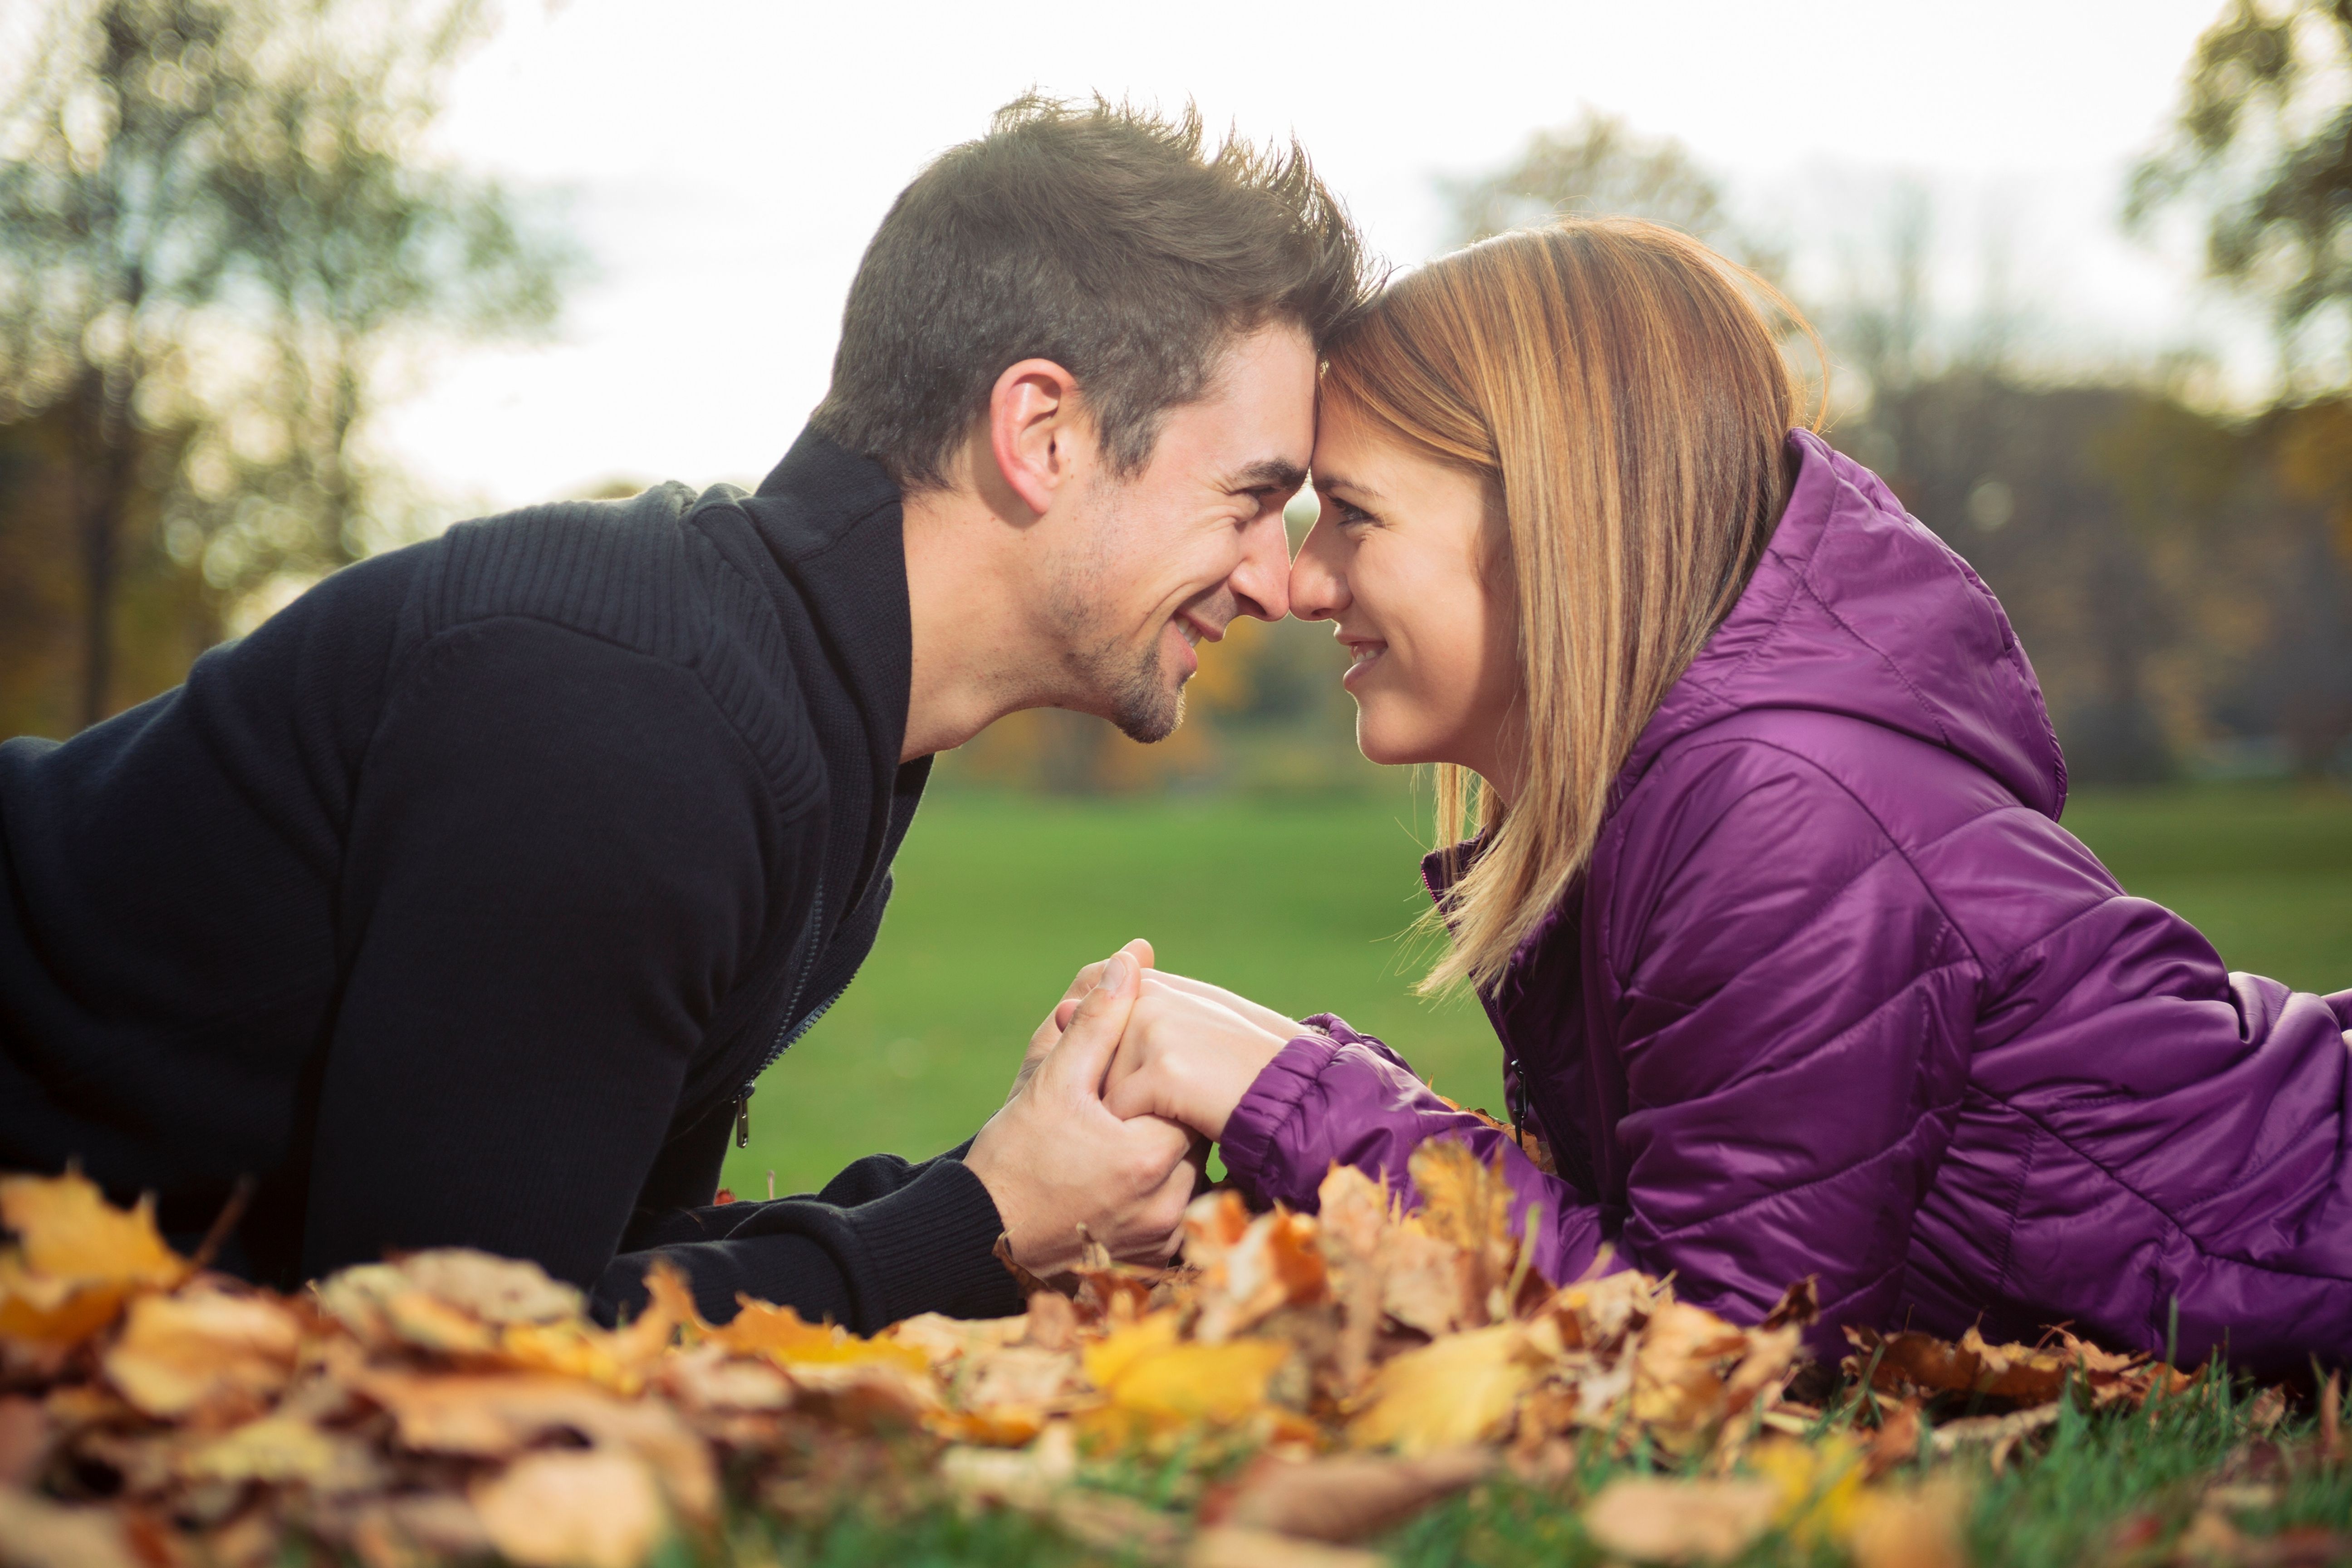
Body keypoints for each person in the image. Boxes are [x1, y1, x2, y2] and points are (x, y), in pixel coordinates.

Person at [0, 95, 1370, 1330]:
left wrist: (1014, 1185)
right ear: (1045, 435)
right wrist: (978, 1227)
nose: (1283, 579)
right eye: (1251, 499)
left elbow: (591, 1255)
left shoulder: (815, 718)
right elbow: (444, 1348)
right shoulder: (630, 723)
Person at [1097, 217, 2352, 1377]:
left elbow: (1719, 1351)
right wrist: (1275, 1091)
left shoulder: (1781, 807)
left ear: (1552, 519)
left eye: (1354, 517)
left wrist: (1296, 1093)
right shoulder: (1678, 790)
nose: (1304, 585)